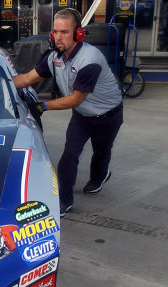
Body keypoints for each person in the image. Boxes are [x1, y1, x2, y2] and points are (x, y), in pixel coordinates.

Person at [12, 8, 123, 217]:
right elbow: (27, 78)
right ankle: (64, 201)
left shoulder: (89, 60)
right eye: (55, 31)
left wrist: (43, 106)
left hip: (108, 115)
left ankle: (99, 177)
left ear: (78, 33)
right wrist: (0, 84)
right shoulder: (54, 57)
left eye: (64, 32)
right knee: (69, 155)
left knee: (102, 153)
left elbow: (75, 98)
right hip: (82, 116)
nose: (58, 37)